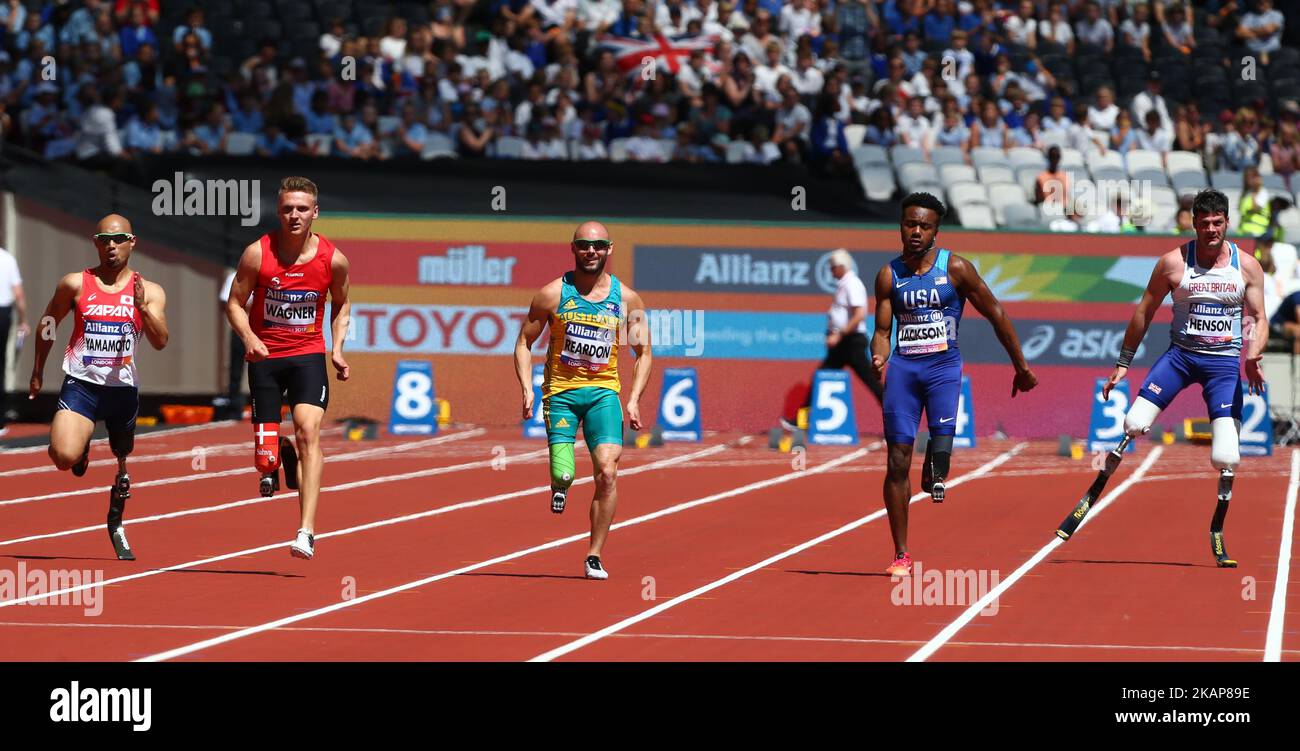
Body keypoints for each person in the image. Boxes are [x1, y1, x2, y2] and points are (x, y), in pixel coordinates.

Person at [1058, 190, 1267, 568]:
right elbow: (1144, 311)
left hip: (1222, 365)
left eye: (1217, 222)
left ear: (1226, 222)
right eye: (1203, 223)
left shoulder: (1247, 266)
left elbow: (1259, 317)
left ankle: (1217, 528)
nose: (1210, 230)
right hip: (1180, 358)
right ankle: (1095, 489)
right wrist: (1123, 362)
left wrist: (1252, 356)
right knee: (1133, 422)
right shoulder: (1173, 263)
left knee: (1225, 454)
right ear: (1193, 224)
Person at [871, 193, 1038, 576]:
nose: (915, 232)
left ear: (936, 231)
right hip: (903, 372)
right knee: (897, 462)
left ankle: (935, 468)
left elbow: (996, 313)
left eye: (924, 226)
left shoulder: (957, 269)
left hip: (943, 371)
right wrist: (878, 354)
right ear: (900, 225)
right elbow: (882, 331)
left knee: (939, 465)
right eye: (909, 224)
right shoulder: (888, 275)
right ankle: (901, 552)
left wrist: (1021, 366)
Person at [513, 221, 653, 580]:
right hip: (560, 394)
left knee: (607, 472)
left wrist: (634, 399)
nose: (592, 251)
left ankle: (594, 554)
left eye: (599, 245)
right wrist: (528, 388)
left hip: (604, 393)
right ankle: (560, 484)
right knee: (565, 472)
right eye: (584, 246)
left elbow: (644, 352)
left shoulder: (627, 299)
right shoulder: (551, 295)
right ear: (573, 249)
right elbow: (524, 344)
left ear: (610, 249)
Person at [27, 215, 169, 560]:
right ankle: (81, 442)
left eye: (118, 239)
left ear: (132, 243)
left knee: (123, 453)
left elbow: (161, 341)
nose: (111, 246)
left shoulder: (148, 290)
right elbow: (49, 322)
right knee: (63, 457)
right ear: (95, 243)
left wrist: (142, 309)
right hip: (82, 384)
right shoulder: (75, 284)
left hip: (121, 390)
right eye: (104, 239)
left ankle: (116, 510)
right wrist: (37, 370)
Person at [225, 177, 351, 560]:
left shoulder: (334, 260)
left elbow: (342, 304)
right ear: (278, 211)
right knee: (265, 461)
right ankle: (276, 453)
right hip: (265, 358)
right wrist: (249, 337)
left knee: (309, 431)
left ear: (315, 212)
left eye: (301, 209)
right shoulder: (257, 254)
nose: (293, 215)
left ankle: (306, 531)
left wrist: (338, 349)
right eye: (286, 209)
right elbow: (234, 303)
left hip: (307, 356)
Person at [780, 249, 883, 430]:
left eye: (832, 267)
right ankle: (802, 421)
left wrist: (839, 334)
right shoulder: (844, 284)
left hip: (852, 342)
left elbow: (860, 315)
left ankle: (897, 419)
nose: (830, 271)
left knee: (871, 381)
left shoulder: (852, 284)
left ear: (841, 267)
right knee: (820, 376)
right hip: (842, 344)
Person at [0, 244, 30, 434]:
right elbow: (18, 293)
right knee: (0, 364)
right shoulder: (7, 258)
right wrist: (23, 320)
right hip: (2, 313)